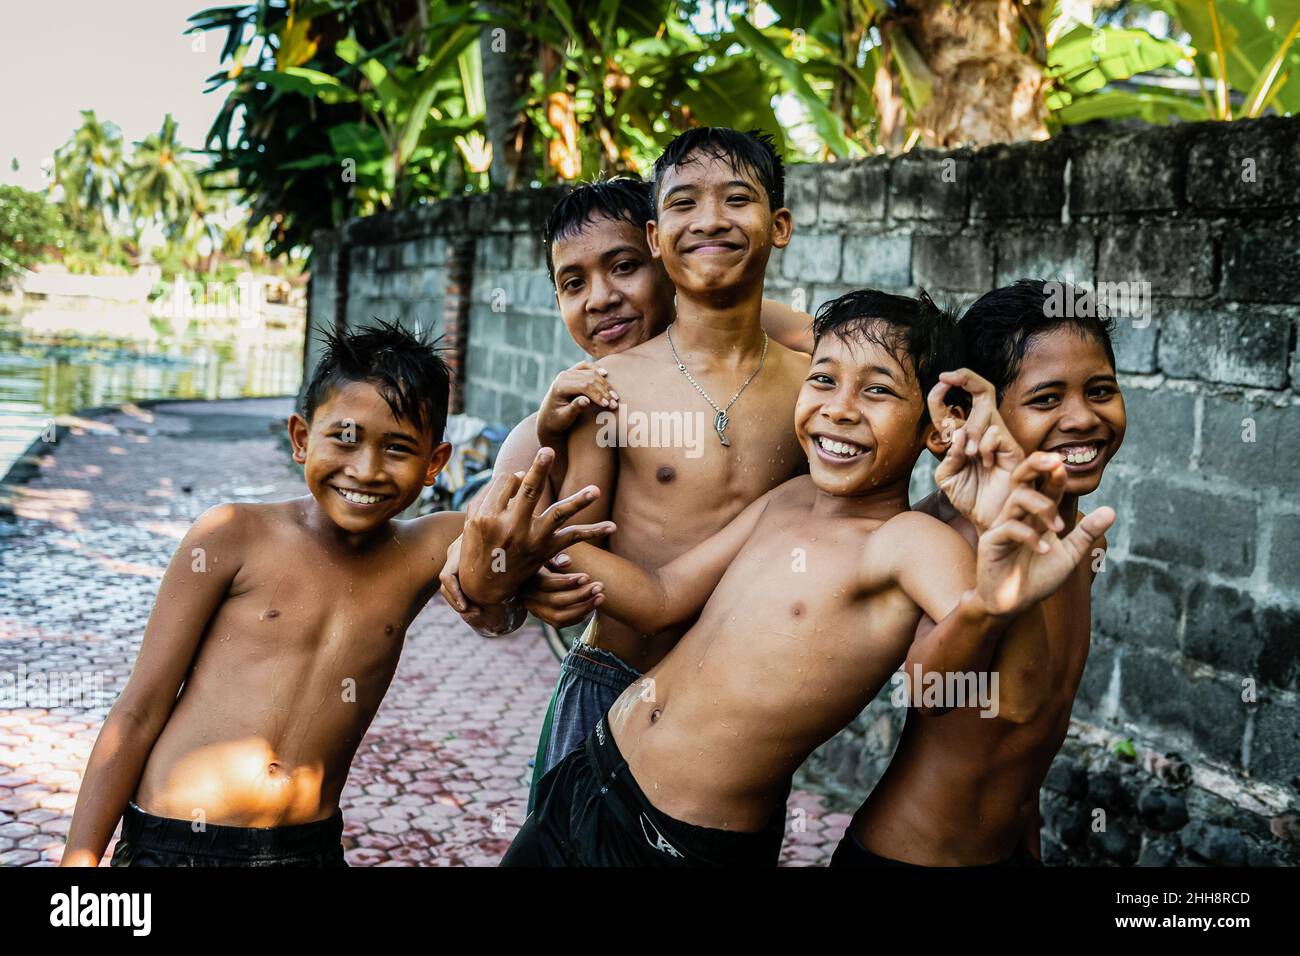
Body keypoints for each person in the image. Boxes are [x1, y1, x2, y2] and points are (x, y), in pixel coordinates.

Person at [459, 289, 1115, 866]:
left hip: (679, 840)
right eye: (824, 380)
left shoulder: (910, 541)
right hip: (594, 767)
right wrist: (525, 546)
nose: (842, 408)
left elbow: (950, 685)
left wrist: (994, 605)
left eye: (879, 389)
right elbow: (659, 600)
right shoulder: (790, 498)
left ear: (938, 428)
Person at [60, 321, 600, 867]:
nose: (365, 470)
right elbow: (137, 711)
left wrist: (524, 591)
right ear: (301, 439)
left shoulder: (429, 546)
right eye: (345, 438)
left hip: (307, 849)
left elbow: (495, 587)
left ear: (435, 464)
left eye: (397, 449)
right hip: (175, 841)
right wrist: (78, 863)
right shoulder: (230, 535)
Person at [444, 135, 814, 801]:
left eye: (624, 268)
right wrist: (506, 581)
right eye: (574, 283)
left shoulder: (797, 368)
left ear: (662, 258)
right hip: (613, 681)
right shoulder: (559, 420)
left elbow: (791, 326)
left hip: (740, 707)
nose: (602, 300)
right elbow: (485, 595)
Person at [836, 278, 1127, 867]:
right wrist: (994, 593)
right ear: (977, 413)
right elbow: (928, 690)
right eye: (1046, 399)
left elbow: (1034, 733)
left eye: (1100, 390)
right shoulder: (948, 538)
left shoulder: (1079, 537)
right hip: (908, 858)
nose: (1082, 418)